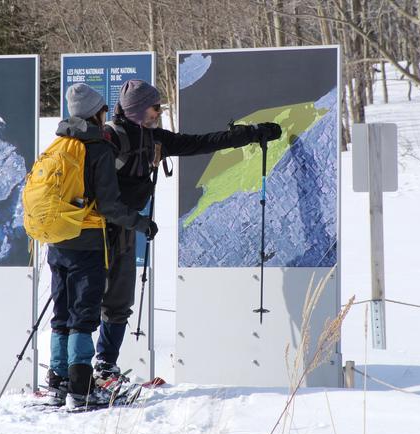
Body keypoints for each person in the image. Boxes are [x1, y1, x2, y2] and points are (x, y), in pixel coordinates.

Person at [94, 79, 282, 379]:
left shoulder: (154, 139)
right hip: (94, 229)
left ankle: (105, 367)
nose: (159, 112)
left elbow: (199, 142)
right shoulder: (110, 139)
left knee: (118, 303)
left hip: (127, 230)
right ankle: (70, 374)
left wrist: (247, 135)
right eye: (155, 107)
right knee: (86, 302)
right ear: (139, 110)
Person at [45, 83, 158, 407]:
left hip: (57, 240)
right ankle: (81, 390)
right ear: (96, 113)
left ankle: (59, 384)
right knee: (84, 316)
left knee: (61, 314)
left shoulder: (60, 144)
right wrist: (142, 223)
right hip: (87, 243)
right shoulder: (98, 148)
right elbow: (108, 205)